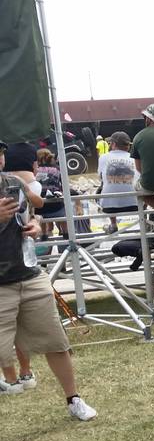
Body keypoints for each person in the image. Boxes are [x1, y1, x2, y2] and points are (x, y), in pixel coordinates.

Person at [0, 142, 98, 419]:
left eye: (0, 153)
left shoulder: (13, 183)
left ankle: (73, 400)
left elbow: (35, 211)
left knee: (56, 341)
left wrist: (36, 226)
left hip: (29, 275)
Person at [98, 131, 138, 234]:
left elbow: (100, 178)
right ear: (128, 146)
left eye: (110, 143)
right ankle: (144, 220)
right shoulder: (135, 158)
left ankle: (113, 224)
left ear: (114, 144)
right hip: (136, 205)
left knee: (102, 187)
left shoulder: (103, 157)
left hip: (109, 208)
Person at [34, 148, 66, 239]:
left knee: (40, 212)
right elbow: (63, 186)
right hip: (56, 206)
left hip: (40, 207)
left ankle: (44, 235)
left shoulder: (35, 171)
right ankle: (66, 233)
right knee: (64, 212)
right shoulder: (57, 169)